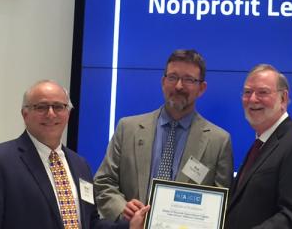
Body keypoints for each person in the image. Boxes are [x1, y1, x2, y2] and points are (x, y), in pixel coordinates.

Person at [0, 80, 148, 229]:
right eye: (41, 107)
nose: (51, 114)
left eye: (59, 107)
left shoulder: (80, 165)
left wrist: (129, 226)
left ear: (68, 113)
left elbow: (89, 223)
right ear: (25, 114)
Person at [94, 49, 233, 221]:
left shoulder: (218, 141)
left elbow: (222, 206)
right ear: (163, 82)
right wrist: (122, 209)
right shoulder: (128, 128)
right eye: (173, 77)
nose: (179, 86)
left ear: (201, 88)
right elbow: (103, 181)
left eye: (188, 79)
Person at [225, 64, 292, 229]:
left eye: (262, 92)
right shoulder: (260, 143)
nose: (252, 99)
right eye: (247, 92)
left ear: (283, 99)